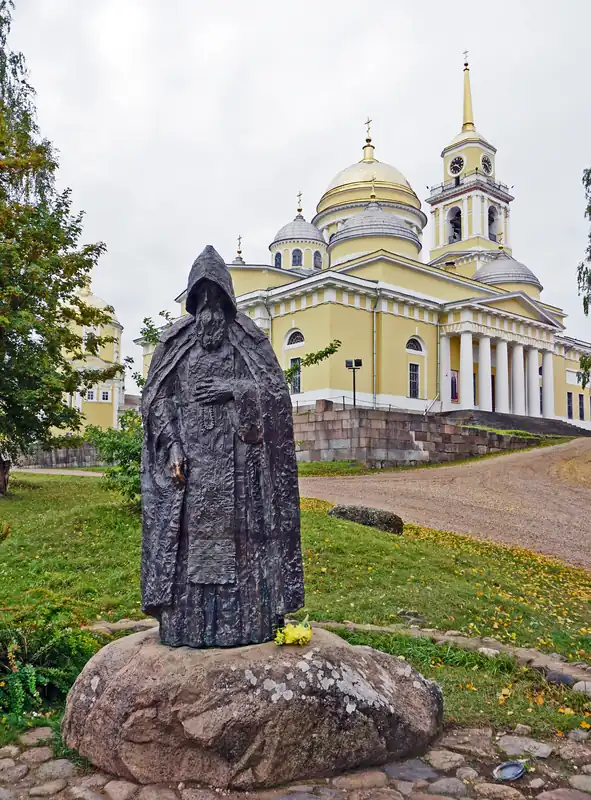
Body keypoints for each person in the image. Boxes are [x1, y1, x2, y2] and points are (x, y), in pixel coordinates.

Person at [140, 245, 304, 648]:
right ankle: (186, 628)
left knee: (242, 547)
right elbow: (157, 400)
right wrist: (173, 445)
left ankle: (247, 626)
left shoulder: (247, 341)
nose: (210, 313)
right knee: (190, 549)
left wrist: (234, 389)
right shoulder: (176, 344)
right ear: (194, 304)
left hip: (239, 472)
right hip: (191, 471)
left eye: (218, 302)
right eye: (203, 302)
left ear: (229, 305)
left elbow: (274, 397)